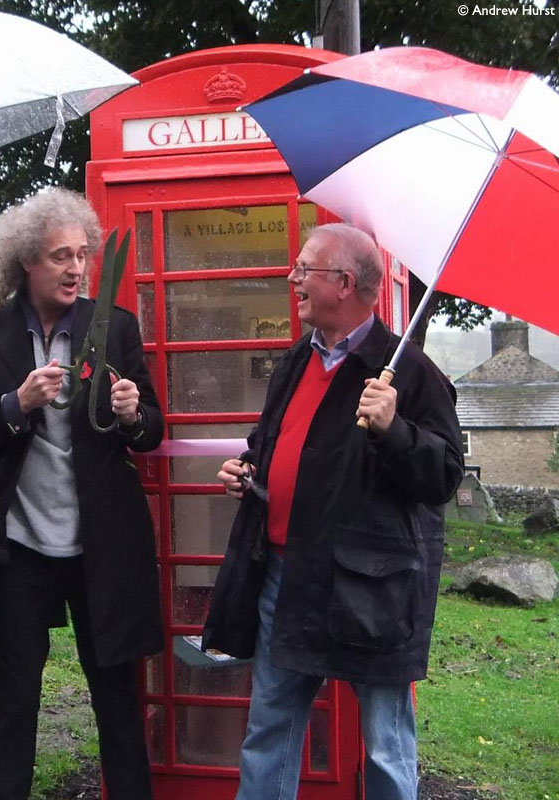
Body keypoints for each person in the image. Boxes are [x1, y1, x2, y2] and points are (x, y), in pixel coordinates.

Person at [203, 223, 464, 800]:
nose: (291, 278)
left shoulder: (411, 373)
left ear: (344, 283)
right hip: (285, 576)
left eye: (304, 269)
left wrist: (395, 430)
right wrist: (250, 473)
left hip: (371, 586)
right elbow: (272, 442)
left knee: (384, 743)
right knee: (270, 725)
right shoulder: (297, 358)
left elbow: (444, 476)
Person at [0, 188, 164, 800]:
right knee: (14, 703)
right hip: (19, 549)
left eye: (82, 255)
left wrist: (130, 412)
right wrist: (17, 405)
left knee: (116, 701)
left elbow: (151, 433)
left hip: (102, 548)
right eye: (60, 256)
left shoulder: (111, 327)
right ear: (25, 264)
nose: (75, 268)